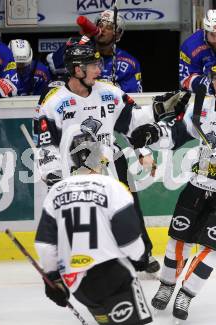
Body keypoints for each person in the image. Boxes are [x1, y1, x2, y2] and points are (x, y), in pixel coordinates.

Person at [130, 58, 216, 321]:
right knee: (177, 241)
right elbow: (176, 133)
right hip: (199, 184)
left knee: (213, 247)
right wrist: (153, 133)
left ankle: (186, 293)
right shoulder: (202, 106)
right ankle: (167, 285)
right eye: (215, 79)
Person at [35, 38, 164, 274]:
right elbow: (46, 145)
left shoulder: (109, 92)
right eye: (93, 65)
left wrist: (142, 150)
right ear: (77, 69)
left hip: (111, 161)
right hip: (76, 169)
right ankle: (78, 260)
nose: (99, 69)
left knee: (128, 207)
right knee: (82, 214)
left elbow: (132, 122)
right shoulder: (53, 103)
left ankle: (140, 255)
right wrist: (52, 173)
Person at [34, 132, 153, 325]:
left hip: (77, 284)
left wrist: (53, 279)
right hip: (112, 274)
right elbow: (128, 237)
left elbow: (45, 245)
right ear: (99, 159)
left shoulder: (56, 191)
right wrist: (140, 257)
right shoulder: (112, 186)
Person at [47, 10, 142, 93]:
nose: (103, 30)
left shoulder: (129, 63)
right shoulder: (81, 48)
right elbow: (55, 66)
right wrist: (86, 36)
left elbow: (132, 95)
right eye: (100, 25)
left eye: (109, 27)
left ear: (117, 34)